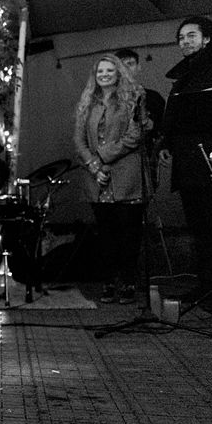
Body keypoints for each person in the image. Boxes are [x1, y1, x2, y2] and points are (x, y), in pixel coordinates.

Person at [74, 54, 147, 304]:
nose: (104, 75)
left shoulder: (132, 99)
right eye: (99, 71)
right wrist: (95, 166)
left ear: (118, 73)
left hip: (126, 177)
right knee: (106, 235)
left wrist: (102, 157)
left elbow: (134, 136)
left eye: (109, 70)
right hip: (98, 180)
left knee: (128, 235)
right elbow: (79, 141)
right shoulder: (88, 103)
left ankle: (127, 282)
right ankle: (109, 281)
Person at [160, 15, 212, 301]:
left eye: (191, 35)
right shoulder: (183, 75)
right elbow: (175, 115)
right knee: (199, 226)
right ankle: (206, 283)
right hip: (188, 162)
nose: (185, 41)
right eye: (181, 38)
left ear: (207, 38)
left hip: (209, 159)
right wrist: (166, 142)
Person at [114, 48, 166, 189]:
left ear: (139, 67)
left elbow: (165, 127)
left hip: (147, 159)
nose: (125, 69)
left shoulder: (154, 98)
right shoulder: (107, 102)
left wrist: (153, 126)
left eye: (130, 64)